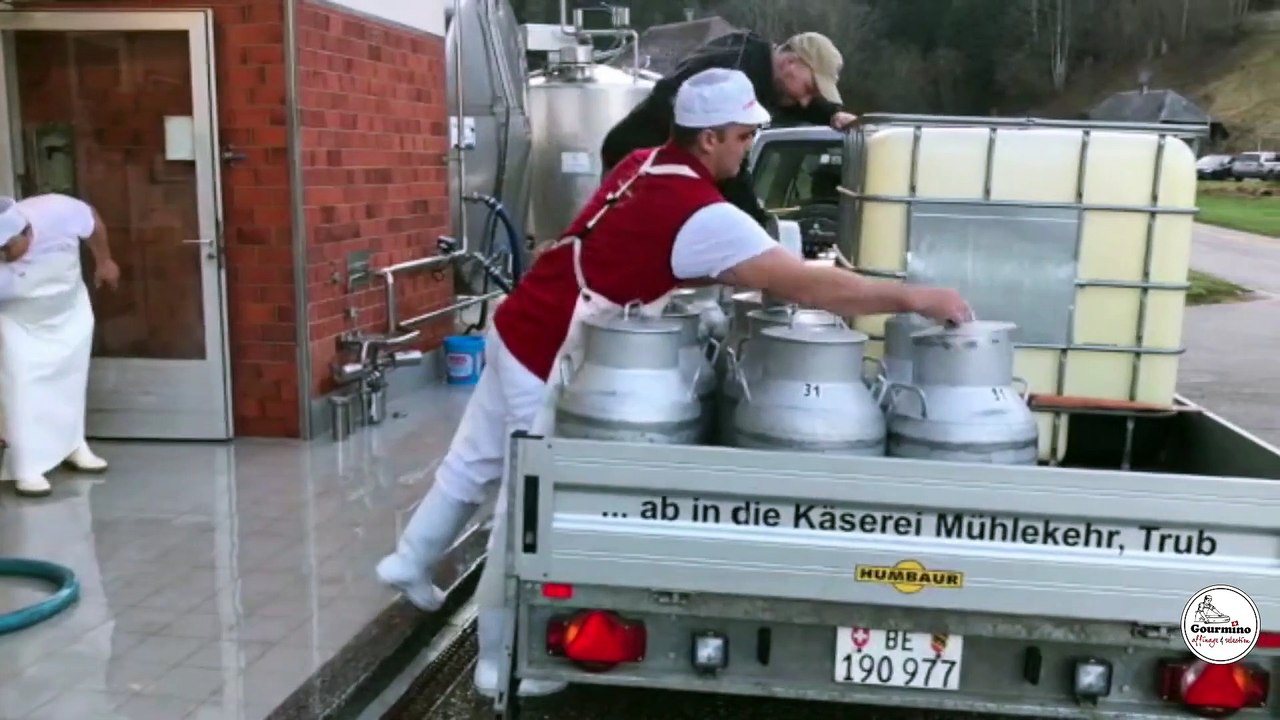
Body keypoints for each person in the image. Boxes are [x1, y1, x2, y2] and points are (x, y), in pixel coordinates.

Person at [376, 67, 971, 700]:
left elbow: (637, 250)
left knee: (475, 459)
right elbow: (802, 284)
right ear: (709, 137)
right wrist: (915, 297)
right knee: (526, 507)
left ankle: (410, 561)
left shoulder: (644, 162)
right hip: (552, 346)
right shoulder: (701, 211)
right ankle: (501, 661)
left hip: (521, 317)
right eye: (743, 136)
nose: (747, 149)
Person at [601, 31, 855, 227]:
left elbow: (791, 104)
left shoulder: (756, 61)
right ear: (790, 62)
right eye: (810, 89)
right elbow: (731, 166)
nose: (806, 101)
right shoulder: (737, 75)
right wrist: (759, 227)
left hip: (648, 160)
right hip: (636, 168)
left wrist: (831, 115)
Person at [0, 194, 120, 497]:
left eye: (7, 248)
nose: (3, 256)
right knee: (22, 390)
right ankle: (27, 467)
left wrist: (104, 260)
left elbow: (92, 222)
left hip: (69, 313)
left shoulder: (56, 210)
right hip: (19, 325)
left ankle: (74, 445)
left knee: (70, 382)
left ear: (26, 232)